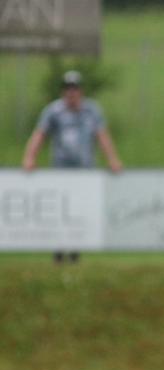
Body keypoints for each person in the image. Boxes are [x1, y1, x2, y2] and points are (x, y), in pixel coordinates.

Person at [22, 70, 123, 263]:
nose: (71, 94)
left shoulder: (92, 111)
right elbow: (39, 135)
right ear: (63, 92)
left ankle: (76, 250)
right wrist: (29, 157)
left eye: (74, 89)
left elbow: (102, 136)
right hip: (61, 172)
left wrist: (112, 159)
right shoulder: (53, 112)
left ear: (80, 91)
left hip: (84, 172)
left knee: (80, 211)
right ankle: (58, 250)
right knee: (60, 212)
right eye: (68, 90)